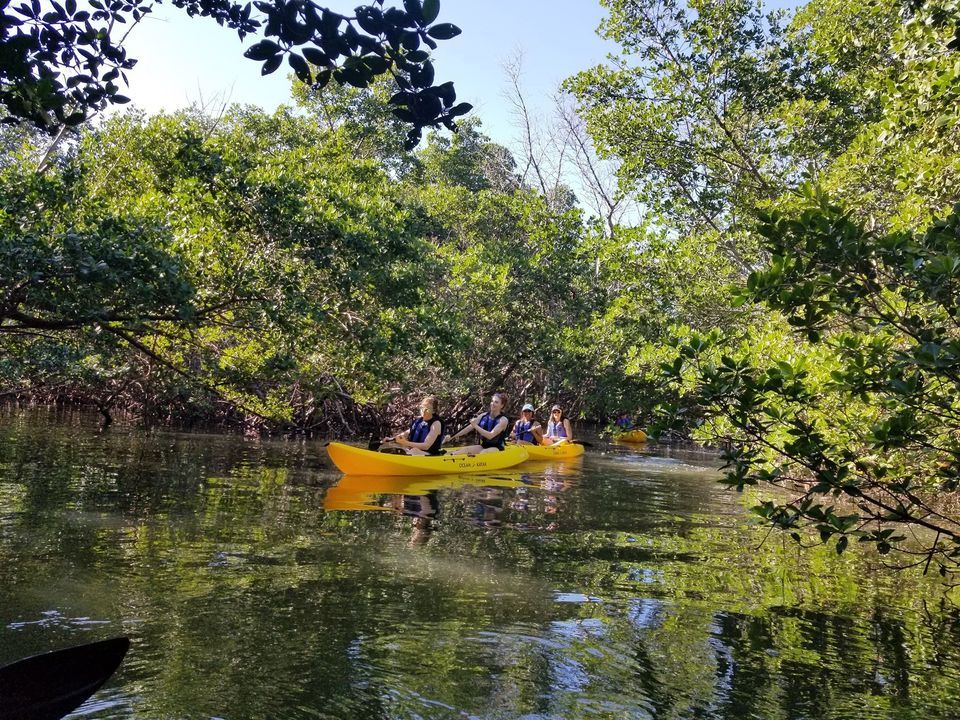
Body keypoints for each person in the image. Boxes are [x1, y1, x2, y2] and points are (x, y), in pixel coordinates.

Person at [444, 392, 511, 454]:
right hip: (483, 446)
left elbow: (490, 436)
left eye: (496, 402)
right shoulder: (483, 415)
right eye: (492, 401)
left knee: (483, 453)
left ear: (502, 405)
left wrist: (475, 426)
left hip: (497, 448)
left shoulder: (503, 420)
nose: (492, 404)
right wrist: (452, 437)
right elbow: (468, 428)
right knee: (462, 451)